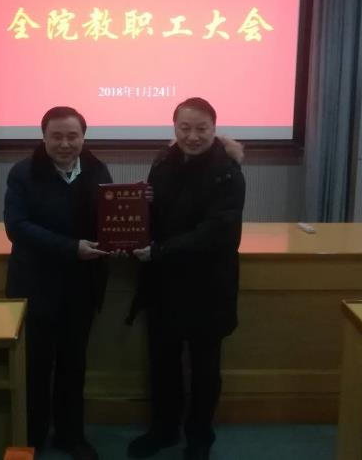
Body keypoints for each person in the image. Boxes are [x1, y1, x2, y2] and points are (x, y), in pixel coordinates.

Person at [128, 97, 246, 460]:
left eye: (201, 129)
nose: (192, 136)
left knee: (205, 369)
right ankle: (163, 430)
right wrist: (144, 201)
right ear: (174, 128)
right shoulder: (163, 161)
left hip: (208, 285)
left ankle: (199, 438)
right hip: (164, 284)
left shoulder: (227, 171)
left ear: (214, 128)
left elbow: (217, 232)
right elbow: (157, 217)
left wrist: (161, 250)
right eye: (185, 128)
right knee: (162, 363)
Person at [4, 106, 112, 460]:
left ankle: (71, 435)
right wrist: (71, 248)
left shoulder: (97, 170)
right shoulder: (23, 173)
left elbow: (110, 219)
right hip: (36, 285)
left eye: (72, 136)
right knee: (34, 366)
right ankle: (32, 434)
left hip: (81, 286)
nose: (65, 144)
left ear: (83, 137)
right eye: (57, 136)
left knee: (73, 364)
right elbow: (17, 227)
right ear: (44, 137)